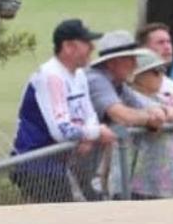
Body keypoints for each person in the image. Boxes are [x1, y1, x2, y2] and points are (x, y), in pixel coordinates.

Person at [9, 19, 116, 203]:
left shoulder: (80, 75)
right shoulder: (51, 76)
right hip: (35, 164)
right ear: (68, 46)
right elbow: (61, 130)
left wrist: (88, 134)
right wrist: (96, 133)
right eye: (86, 43)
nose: (92, 47)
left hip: (59, 164)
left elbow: (88, 114)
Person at [121, 51, 173, 198]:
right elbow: (156, 117)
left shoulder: (163, 98)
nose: (161, 76)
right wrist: (167, 114)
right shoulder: (130, 99)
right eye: (156, 71)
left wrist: (169, 113)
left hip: (167, 182)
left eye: (163, 70)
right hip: (139, 184)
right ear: (138, 75)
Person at [87, 30, 168, 131]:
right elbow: (122, 115)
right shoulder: (96, 79)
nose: (135, 64)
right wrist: (149, 118)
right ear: (112, 63)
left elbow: (142, 105)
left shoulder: (118, 83)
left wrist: (157, 110)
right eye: (130, 59)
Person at [137, 22, 173, 106]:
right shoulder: (130, 86)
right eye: (160, 42)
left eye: (169, 42)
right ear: (143, 49)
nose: (167, 47)